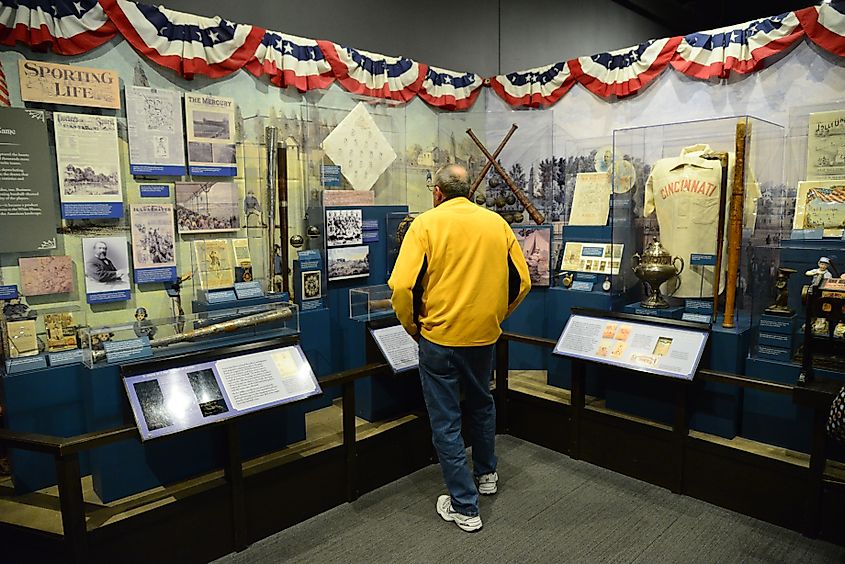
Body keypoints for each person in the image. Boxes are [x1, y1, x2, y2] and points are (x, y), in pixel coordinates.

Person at [388, 163, 531, 532]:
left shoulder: (425, 225)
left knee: (446, 421)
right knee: (482, 403)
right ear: (469, 190)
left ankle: (465, 507)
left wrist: (413, 327)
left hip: (439, 338)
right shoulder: (496, 224)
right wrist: (496, 316)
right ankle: (487, 475)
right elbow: (523, 282)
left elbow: (401, 287)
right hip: (484, 337)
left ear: (437, 192)